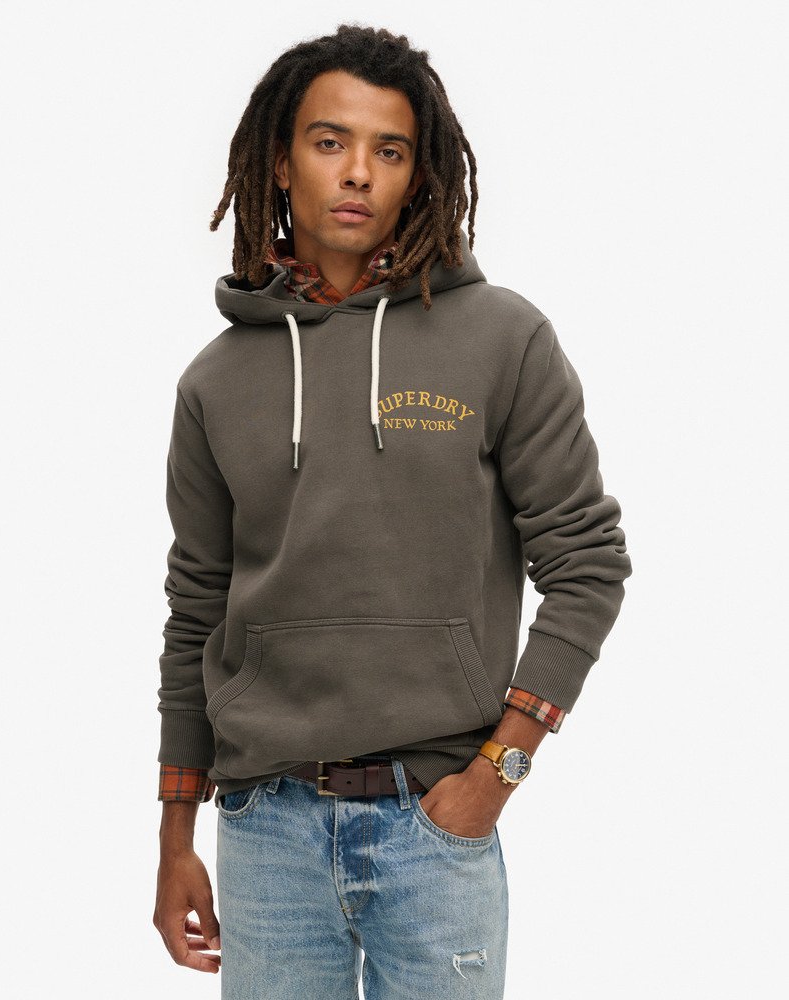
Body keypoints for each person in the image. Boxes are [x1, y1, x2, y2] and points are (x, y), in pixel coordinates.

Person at [152, 23, 632, 999]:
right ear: (280, 161)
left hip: (435, 824)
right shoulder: (215, 380)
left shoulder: (501, 339)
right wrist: (175, 835)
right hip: (265, 832)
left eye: (391, 149)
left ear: (419, 174)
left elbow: (587, 565)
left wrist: (496, 775)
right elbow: (195, 611)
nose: (358, 173)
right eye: (330, 141)